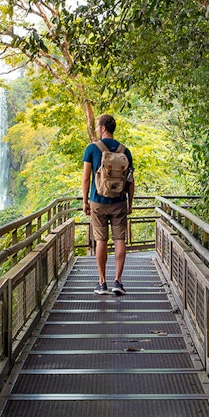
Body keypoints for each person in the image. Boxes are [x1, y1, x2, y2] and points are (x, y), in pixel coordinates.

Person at [82, 114, 135, 295]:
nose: (97, 128)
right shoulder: (124, 151)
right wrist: (130, 203)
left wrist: (85, 201)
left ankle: (102, 283)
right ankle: (118, 282)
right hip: (119, 201)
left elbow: (86, 178)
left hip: (98, 202)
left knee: (100, 240)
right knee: (120, 240)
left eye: (98, 126)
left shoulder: (92, 149)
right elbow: (130, 180)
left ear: (103, 127)